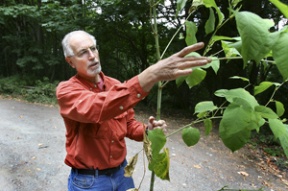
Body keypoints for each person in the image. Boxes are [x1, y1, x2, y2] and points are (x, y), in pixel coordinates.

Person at [56, 30, 211, 191]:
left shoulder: (115, 85)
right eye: (83, 52)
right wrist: (151, 74)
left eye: (93, 48)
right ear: (71, 62)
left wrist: (148, 131)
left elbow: (128, 124)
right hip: (89, 181)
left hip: (122, 174)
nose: (92, 56)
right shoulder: (66, 91)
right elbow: (98, 107)